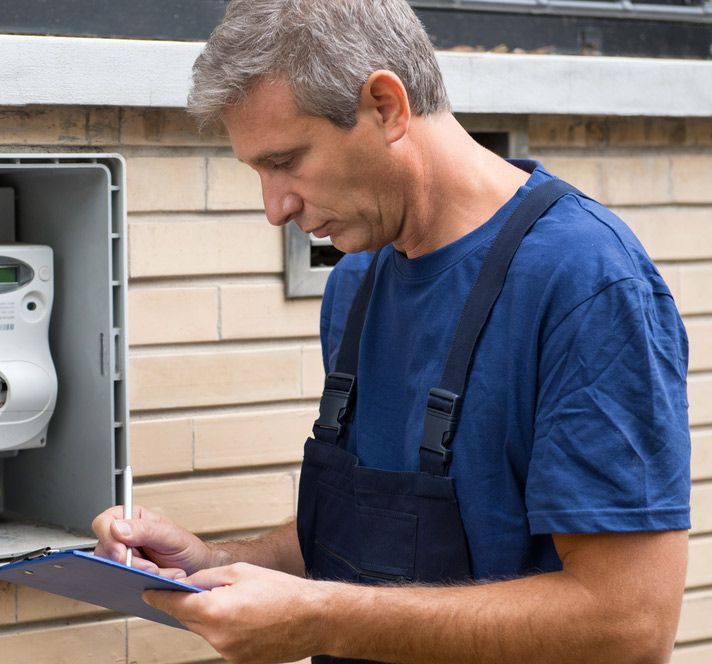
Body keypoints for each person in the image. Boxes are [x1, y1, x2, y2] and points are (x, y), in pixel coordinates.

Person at [93, 1, 692, 661]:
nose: (274, 208)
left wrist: (323, 618)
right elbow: (375, 540)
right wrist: (213, 563)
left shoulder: (583, 282)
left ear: (385, 105)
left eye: (287, 161)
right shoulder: (357, 282)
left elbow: (630, 624)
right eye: (258, 172)